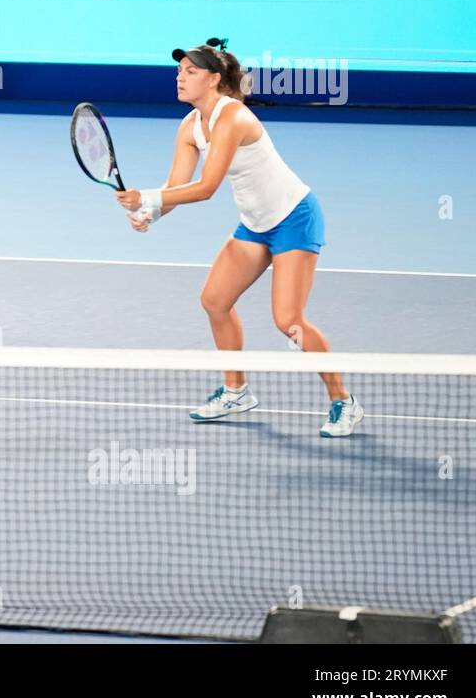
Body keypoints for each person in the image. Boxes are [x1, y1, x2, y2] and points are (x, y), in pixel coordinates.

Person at [116, 38, 366, 438]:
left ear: (214, 79)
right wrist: (151, 212)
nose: (180, 77)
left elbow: (207, 187)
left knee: (288, 321)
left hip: (294, 218)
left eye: (191, 72)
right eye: (179, 70)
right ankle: (236, 391)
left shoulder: (233, 117)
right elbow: (177, 186)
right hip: (255, 224)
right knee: (215, 300)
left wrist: (147, 196)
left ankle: (344, 401)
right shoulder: (189, 126)